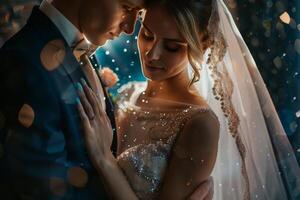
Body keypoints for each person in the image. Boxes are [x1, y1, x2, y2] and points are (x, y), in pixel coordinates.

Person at [77, 0, 300, 199]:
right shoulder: (127, 94)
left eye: (172, 47)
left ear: (202, 46)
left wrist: (104, 159)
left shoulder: (199, 124)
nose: (152, 54)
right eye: (147, 35)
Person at [0, 0, 213, 199]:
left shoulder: (78, 50)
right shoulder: (26, 63)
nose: (130, 29)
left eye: (172, 46)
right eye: (127, 7)